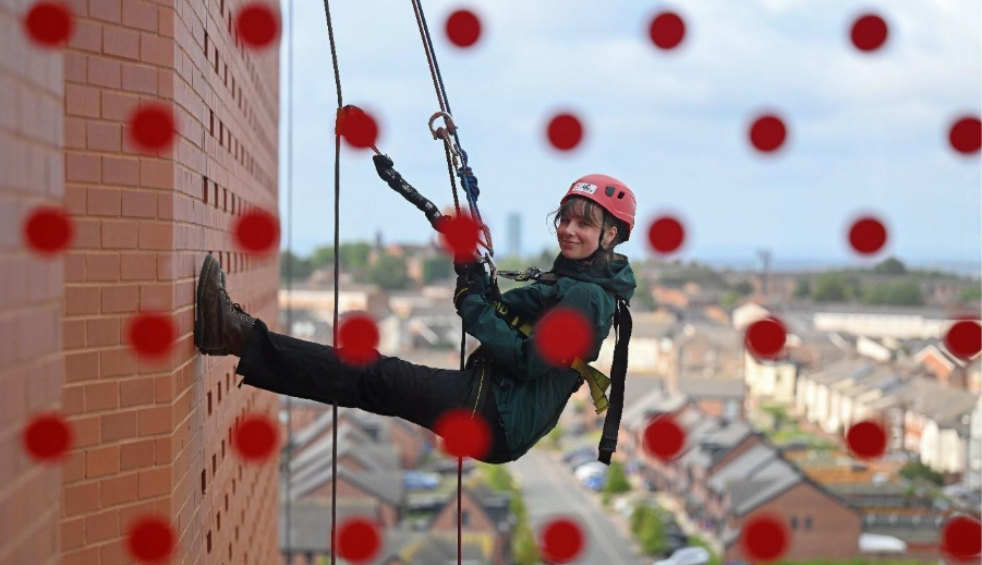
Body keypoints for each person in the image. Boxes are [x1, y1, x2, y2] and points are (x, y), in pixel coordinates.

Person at [194, 166, 636, 464]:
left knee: (371, 377)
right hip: (495, 408)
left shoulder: (587, 299)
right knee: (370, 381)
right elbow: (502, 307)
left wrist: (471, 301)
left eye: (584, 224)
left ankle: (236, 336)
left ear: (610, 234)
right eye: (565, 219)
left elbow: (525, 358)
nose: (569, 230)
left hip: (495, 414)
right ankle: (237, 338)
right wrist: (472, 273)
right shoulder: (574, 284)